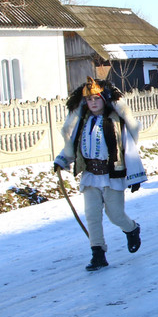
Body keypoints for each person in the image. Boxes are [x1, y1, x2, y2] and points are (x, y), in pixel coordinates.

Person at [54, 77, 146, 271]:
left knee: (115, 215)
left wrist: (135, 176)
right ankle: (98, 253)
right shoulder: (82, 123)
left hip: (112, 175)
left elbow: (128, 148)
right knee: (92, 216)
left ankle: (131, 228)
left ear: (104, 100)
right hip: (90, 176)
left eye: (96, 99)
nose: (93, 103)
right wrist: (62, 160)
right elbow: (72, 145)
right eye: (89, 100)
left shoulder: (115, 122)